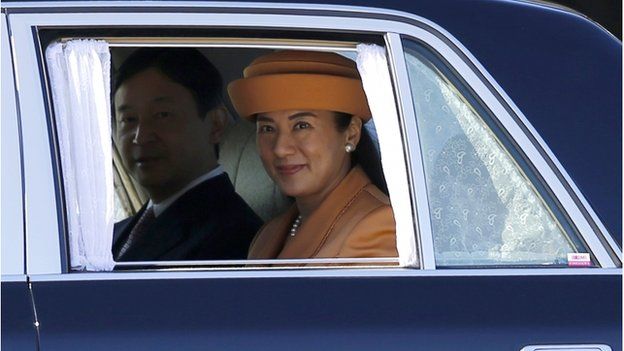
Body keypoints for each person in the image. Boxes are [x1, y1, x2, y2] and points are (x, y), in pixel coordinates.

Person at [228, 50, 397, 260]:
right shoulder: (268, 234)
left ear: (351, 134)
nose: (280, 148)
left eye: (301, 125)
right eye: (267, 129)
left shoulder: (378, 226)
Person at [112, 48, 262, 262]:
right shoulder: (114, 235)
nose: (141, 136)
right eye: (128, 119)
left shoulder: (236, 240)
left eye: (162, 115)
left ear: (215, 124)